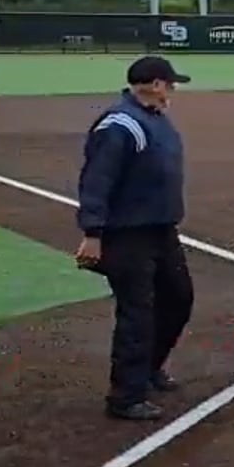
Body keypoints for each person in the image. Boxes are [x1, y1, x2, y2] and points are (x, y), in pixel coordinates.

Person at [75, 55, 196, 420]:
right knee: (137, 313)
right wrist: (93, 232)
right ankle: (126, 396)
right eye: (170, 84)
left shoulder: (154, 119)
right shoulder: (119, 125)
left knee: (178, 299)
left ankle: (148, 368)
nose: (172, 91)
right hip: (127, 234)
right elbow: (97, 181)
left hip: (161, 229)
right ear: (156, 85)